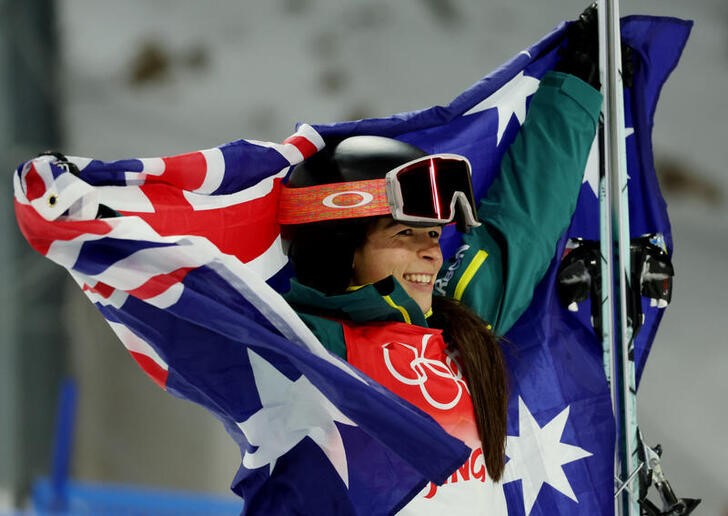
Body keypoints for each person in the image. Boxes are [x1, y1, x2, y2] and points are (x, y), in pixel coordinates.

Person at [277, 60, 603, 511]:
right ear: (339, 250)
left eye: (433, 234)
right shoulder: (306, 349)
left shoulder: (458, 327)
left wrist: (575, 93)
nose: (431, 252)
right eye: (403, 234)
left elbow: (523, 228)